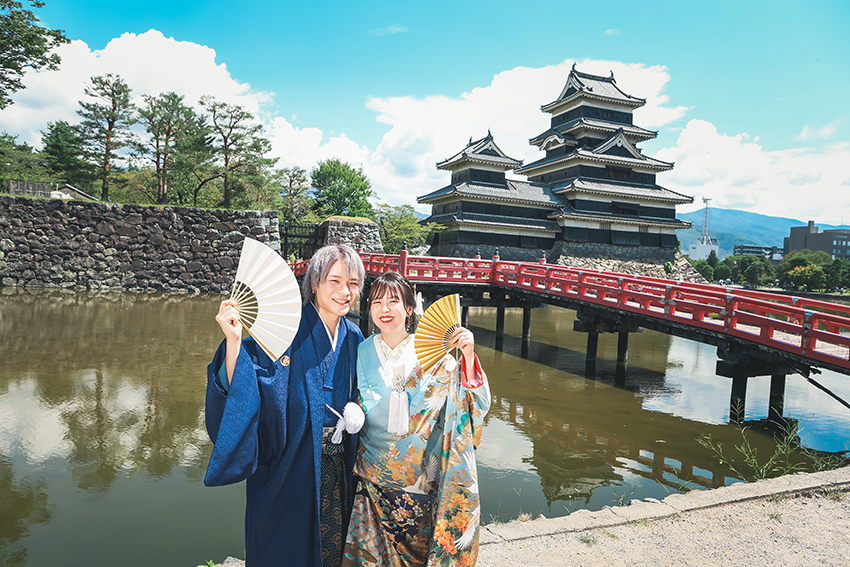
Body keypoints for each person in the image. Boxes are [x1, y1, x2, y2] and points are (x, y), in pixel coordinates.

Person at [204, 244, 366, 567]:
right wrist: (234, 342)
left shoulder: (354, 337)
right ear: (315, 283)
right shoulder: (285, 332)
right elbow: (252, 381)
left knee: (332, 554)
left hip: (336, 474)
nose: (344, 291)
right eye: (334, 281)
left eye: (353, 283)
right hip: (291, 471)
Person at [343, 272, 490, 567]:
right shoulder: (359, 350)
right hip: (371, 482)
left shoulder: (435, 356)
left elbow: (472, 407)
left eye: (393, 301)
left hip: (418, 486)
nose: (384, 309)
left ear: (409, 309)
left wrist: (468, 355)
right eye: (377, 301)